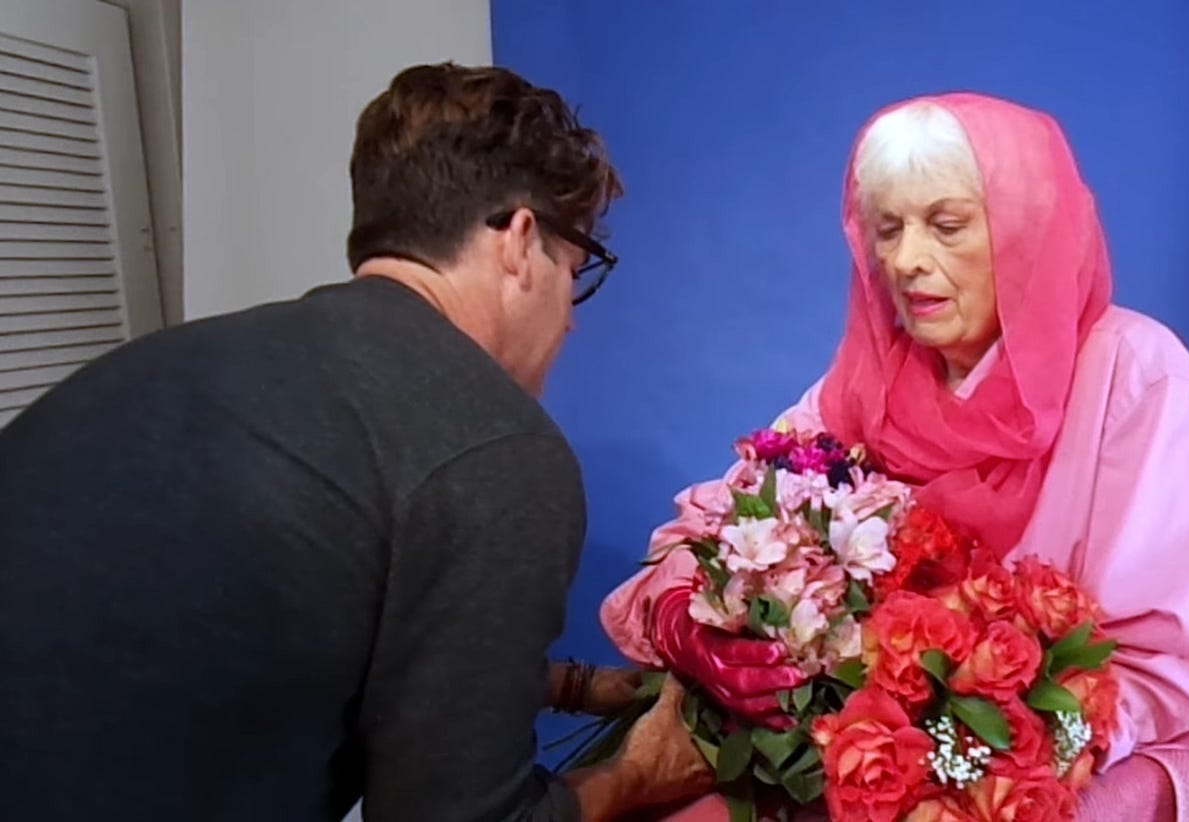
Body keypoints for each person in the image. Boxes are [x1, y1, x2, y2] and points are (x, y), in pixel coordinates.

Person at [0, 63, 710, 821]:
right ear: (519, 239)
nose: (570, 317)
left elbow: (204, 645)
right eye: (577, 270)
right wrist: (643, 770)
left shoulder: (165, 364)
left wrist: (569, 685)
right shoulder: (493, 448)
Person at [599, 93, 1189, 821]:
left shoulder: (1136, 373)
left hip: (1098, 760)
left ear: (1027, 232)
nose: (907, 260)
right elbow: (716, 534)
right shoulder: (860, 387)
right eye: (887, 231)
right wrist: (682, 617)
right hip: (876, 762)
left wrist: (1004, 746)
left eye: (946, 226)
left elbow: (1178, 665)